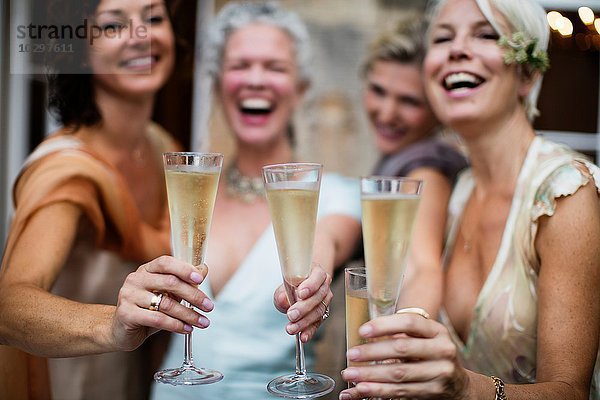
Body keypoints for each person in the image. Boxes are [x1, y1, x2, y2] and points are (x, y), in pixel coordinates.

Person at [0, 1, 328, 399]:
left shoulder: (163, 151)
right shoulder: (65, 170)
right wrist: (111, 325)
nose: (143, 36)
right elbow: (8, 305)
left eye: (154, 19)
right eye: (114, 25)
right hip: (73, 383)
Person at [339, 0, 600, 399]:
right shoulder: (457, 191)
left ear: (527, 74)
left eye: (485, 34)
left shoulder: (565, 194)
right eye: (443, 38)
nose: (457, 49)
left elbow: (572, 393)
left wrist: (466, 387)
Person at [150, 2, 361, 399]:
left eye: (275, 67)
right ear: (216, 83)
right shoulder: (186, 195)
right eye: (240, 65)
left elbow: (325, 242)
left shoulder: (336, 195)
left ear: (301, 89)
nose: (256, 80)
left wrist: (312, 276)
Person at [361, 14, 467, 315]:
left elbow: (424, 268)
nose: (387, 112)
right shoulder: (399, 157)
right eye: (378, 91)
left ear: (438, 107)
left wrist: (398, 346)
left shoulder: (426, 170)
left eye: (409, 101)